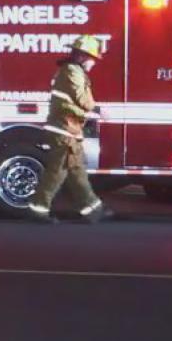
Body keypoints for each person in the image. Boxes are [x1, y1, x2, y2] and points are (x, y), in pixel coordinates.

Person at [28, 35, 112, 224]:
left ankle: (93, 210)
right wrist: (97, 110)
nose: (94, 63)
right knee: (57, 172)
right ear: (82, 56)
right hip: (64, 130)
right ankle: (38, 209)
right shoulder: (73, 72)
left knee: (77, 171)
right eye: (92, 58)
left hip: (69, 129)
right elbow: (82, 98)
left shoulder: (72, 71)